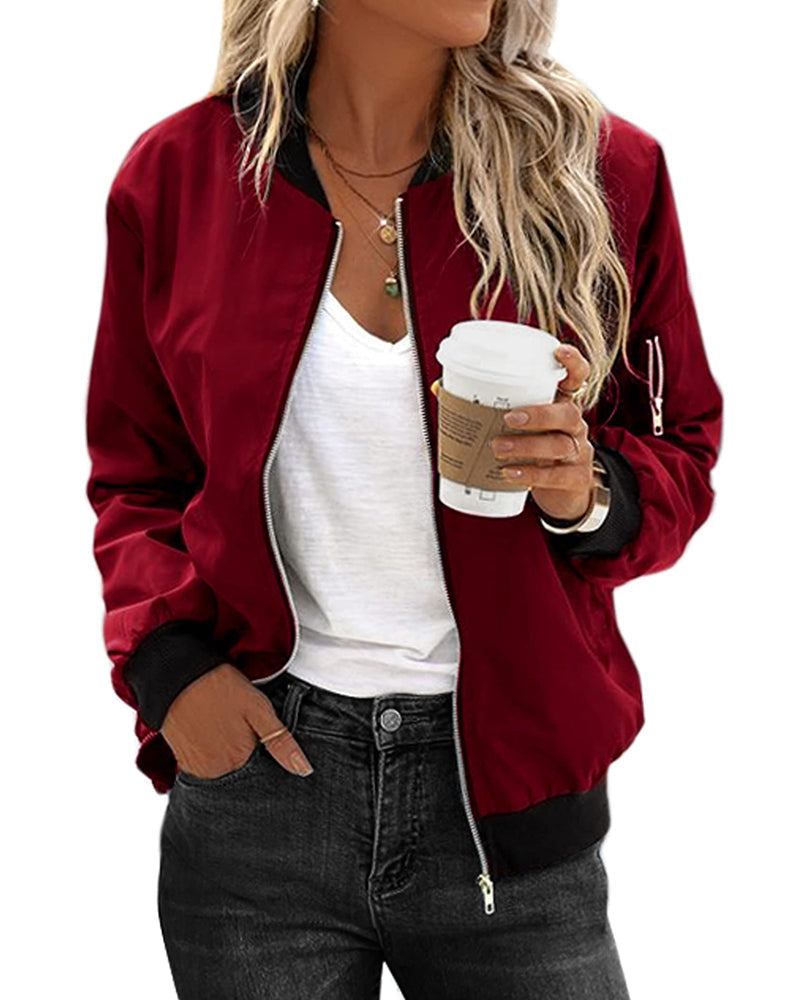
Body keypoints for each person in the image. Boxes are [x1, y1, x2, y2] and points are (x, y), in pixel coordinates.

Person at [84, 1, 723, 997]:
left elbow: (680, 443)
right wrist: (172, 672)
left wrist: (588, 490)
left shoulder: (600, 171)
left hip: (507, 803)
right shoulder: (178, 176)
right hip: (257, 795)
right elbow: (137, 472)